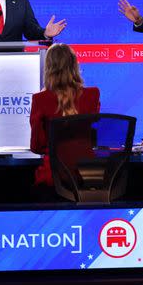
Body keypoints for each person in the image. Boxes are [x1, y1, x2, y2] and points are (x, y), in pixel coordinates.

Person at [29, 43, 100, 187]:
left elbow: (37, 147)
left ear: (48, 68)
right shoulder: (92, 94)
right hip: (89, 174)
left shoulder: (40, 99)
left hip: (55, 178)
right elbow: (94, 136)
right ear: (74, 65)